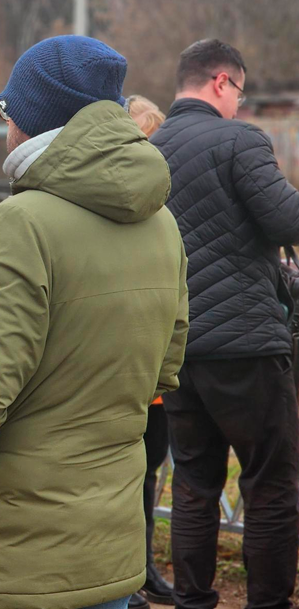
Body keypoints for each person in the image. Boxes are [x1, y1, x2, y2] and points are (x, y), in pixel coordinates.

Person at [0, 35, 189, 609]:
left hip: (24, 551)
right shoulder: (161, 220)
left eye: (7, 110)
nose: (4, 125)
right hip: (111, 537)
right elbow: (166, 367)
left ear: (34, 121)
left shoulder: (23, 221)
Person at [150, 39, 299, 609]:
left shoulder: (152, 147)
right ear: (221, 82)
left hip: (178, 345)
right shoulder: (239, 139)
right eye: (240, 90)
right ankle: (267, 601)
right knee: (268, 481)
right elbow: (285, 216)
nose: (240, 102)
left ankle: (193, 601)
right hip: (246, 344)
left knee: (193, 481)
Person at [125, 94, 173, 609]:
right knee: (123, 479)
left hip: (155, 379)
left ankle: (144, 568)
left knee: (149, 474)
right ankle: (127, 576)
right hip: (126, 375)